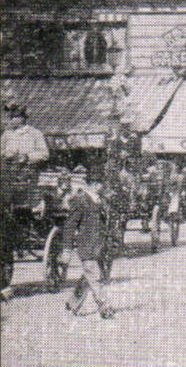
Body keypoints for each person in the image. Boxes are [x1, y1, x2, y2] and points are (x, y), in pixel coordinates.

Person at [62, 169, 115, 319]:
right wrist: (67, 249)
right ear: (92, 184)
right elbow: (70, 225)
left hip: (99, 246)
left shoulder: (100, 200)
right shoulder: (81, 200)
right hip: (86, 246)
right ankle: (104, 306)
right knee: (95, 276)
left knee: (88, 276)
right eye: (98, 183)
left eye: (101, 183)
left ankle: (73, 302)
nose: (101, 186)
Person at [3, 103, 50, 171]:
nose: (11, 120)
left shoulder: (35, 133)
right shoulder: (7, 134)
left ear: (22, 118)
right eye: (10, 117)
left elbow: (44, 154)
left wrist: (27, 157)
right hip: (9, 170)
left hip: (29, 170)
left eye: (14, 116)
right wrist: (7, 154)